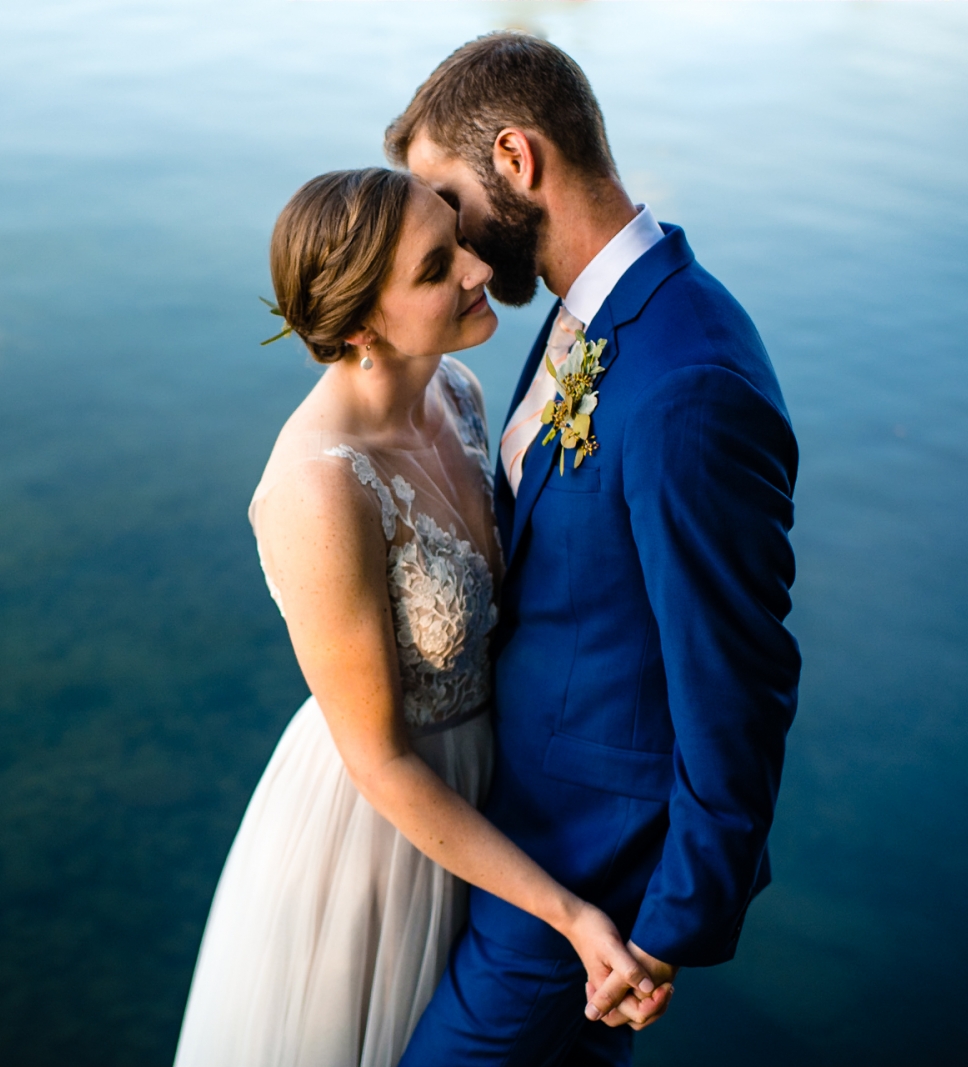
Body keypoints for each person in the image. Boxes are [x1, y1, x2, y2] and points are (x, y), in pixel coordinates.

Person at [172, 168, 663, 1067]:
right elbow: (381, 759)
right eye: (439, 268)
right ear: (362, 327)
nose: (479, 269)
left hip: (498, 789)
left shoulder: (462, 395)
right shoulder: (319, 488)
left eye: (458, 240)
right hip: (382, 830)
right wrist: (561, 906)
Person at [387, 33, 801, 1067]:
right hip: (517, 840)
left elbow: (737, 677)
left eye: (445, 194)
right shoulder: (593, 311)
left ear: (518, 162)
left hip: (585, 881)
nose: (444, 233)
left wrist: (669, 924)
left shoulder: (684, 381)